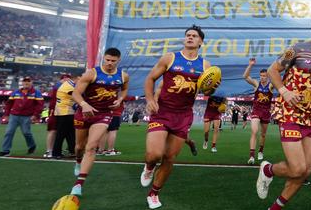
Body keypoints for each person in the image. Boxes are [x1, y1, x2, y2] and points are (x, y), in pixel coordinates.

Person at [255, 12, 311, 210]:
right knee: (297, 168)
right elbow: (272, 70)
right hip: (290, 112)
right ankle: (268, 170)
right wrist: (284, 91)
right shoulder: (297, 49)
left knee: (306, 171)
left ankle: (275, 208)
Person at [140, 25, 218, 209]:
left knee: (169, 158)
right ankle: (149, 167)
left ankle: (154, 193)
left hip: (183, 116)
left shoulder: (206, 66)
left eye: (194, 36)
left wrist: (212, 87)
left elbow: (208, 90)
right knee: (154, 155)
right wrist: (150, 100)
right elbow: (150, 79)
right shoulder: (170, 58)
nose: (190, 37)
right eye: (188, 35)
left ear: (200, 42)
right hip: (163, 111)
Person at [70, 48, 129, 196]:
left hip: (104, 114)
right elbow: (76, 93)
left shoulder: (123, 75)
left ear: (118, 61)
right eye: (107, 60)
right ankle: (78, 160)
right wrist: (84, 104)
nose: (109, 63)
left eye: (113, 61)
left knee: (91, 147)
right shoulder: (92, 73)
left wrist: (120, 99)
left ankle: (79, 184)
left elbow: (124, 89)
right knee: (79, 147)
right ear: (104, 58)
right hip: (85, 113)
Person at [0, 76, 43, 156]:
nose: (26, 82)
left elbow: (39, 105)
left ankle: (32, 146)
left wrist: (35, 115)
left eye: (28, 81)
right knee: (9, 132)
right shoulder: (15, 92)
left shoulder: (36, 93)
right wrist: (6, 114)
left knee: (26, 133)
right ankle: (5, 150)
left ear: (31, 83)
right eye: (25, 81)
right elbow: (9, 104)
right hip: (14, 116)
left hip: (27, 116)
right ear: (22, 83)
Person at [243, 58, 273, 164]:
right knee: (254, 131)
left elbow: (281, 81)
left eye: (264, 76)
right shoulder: (256, 83)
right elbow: (245, 77)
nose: (263, 77)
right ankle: (251, 156)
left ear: (268, 76)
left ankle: (261, 150)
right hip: (256, 110)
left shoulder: (270, 85)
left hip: (266, 112)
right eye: (261, 75)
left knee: (263, 134)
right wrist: (250, 65)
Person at [52, 74, 77, 159]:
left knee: (70, 133)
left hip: (64, 112)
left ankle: (72, 151)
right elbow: (78, 95)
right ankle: (56, 153)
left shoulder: (68, 84)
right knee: (61, 134)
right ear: (76, 78)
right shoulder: (69, 86)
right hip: (65, 112)